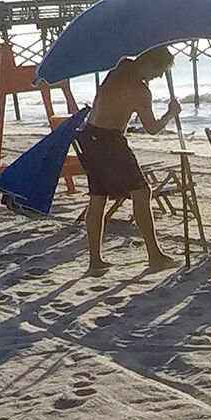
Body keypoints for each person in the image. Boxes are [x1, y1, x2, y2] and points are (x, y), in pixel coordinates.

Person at [76, 47, 182, 274]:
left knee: (98, 197)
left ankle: (95, 260)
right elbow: (152, 128)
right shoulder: (140, 90)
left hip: (89, 134)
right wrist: (171, 113)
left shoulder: (120, 67)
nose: (160, 76)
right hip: (108, 140)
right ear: (150, 65)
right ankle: (155, 255)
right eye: (160, 71)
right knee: (142, 192)